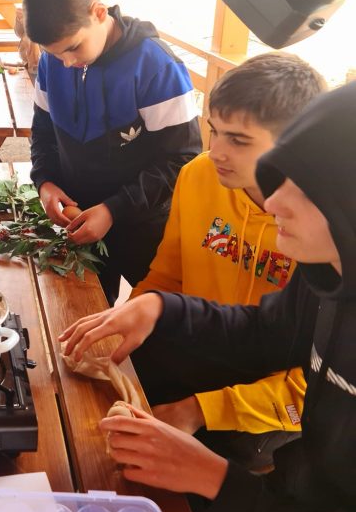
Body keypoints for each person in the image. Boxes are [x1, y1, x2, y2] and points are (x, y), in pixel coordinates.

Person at [60, 81, 356, 512]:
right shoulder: (328, 276)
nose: (272, 204)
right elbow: (265, 332)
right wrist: (160, 308)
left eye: (306, 187)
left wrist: (216, 477)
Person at [130, 53, 325, 468]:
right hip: (195, 349)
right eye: (213, 131)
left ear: (298, 145)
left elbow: (314, 381)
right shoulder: (197, 175)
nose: (214, 151)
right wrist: (127, 321)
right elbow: (168, 275)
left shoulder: (321, 228)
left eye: (238, 140)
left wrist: (199, 410)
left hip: (267, 399)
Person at [24, 0, 201, 305]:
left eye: (73, 48)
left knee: (156, 331)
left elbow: (182, 159)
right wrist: (44, 182)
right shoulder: (55, 61)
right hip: (78, 225)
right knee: (83, 317)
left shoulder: (155, 66)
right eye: (53, 53)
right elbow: (43, 132)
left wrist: (114, 209)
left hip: (144, 226)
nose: (65, 63)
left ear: (99, 12)